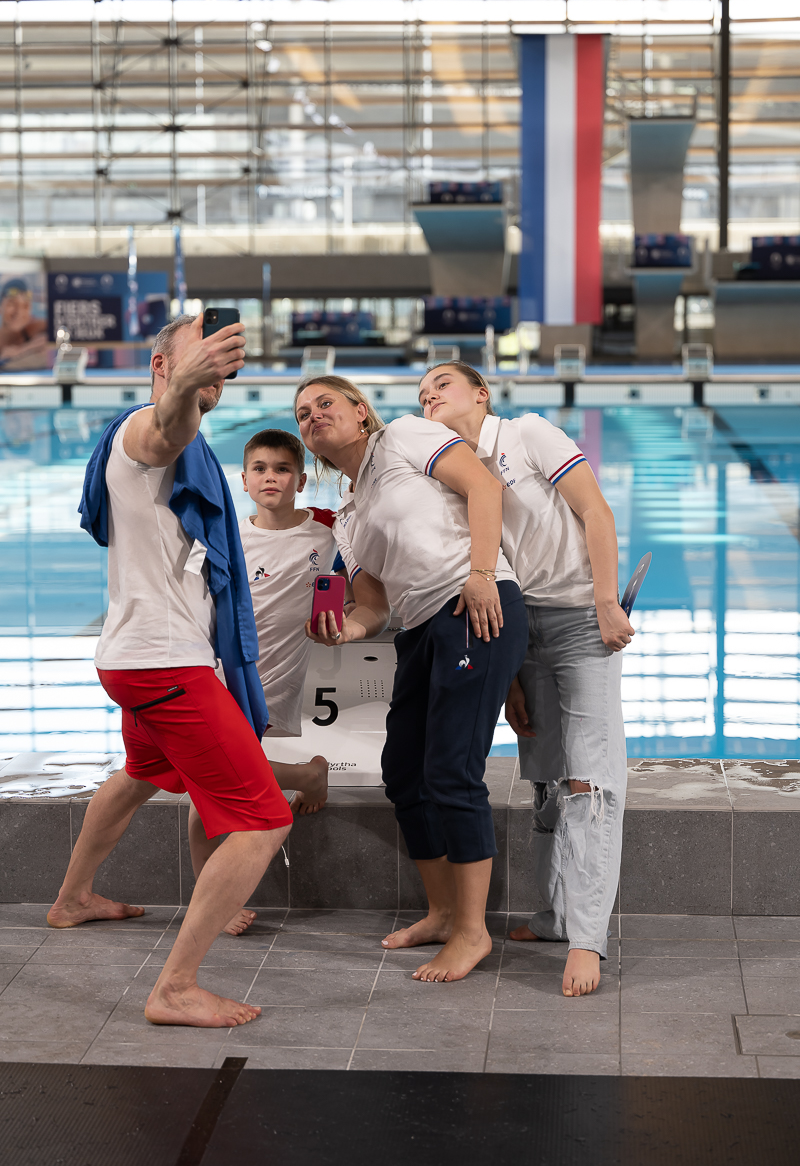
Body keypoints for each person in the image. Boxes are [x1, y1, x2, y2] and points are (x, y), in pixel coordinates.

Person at [46, 313, 294, 1028]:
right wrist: (186, 379)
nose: (218, 369)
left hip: (135, 656)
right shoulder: (144, 438)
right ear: (162, 368)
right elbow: (169, 424)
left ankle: (71, 899)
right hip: (163, 664)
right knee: (261, 821)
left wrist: (193, 376)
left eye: (225, 363)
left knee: (141, 775)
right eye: (200, 357)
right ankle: (177, 986)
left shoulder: (179, 446)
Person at [295, 375, 528, 983]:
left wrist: (480, 570)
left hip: (476, 602)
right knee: (404, 770)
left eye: (325, 403)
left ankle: (474, 934)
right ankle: (444, 911)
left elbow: (483, 485)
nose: (313, 415)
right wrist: (343, 632)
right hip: (421, 628)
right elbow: (373, 602)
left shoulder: (404, 436)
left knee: (452, 769)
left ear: (359, 411)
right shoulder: (349, 510)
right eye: (302, 413)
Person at [420, 360, 634, 998]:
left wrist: (603, 601)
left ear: (481, 395)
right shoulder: (450, 469)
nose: (429, 397)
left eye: (442, 386)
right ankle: (554, 914)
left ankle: (588, 939)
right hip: (519, 631)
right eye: (421, 393)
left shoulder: (528, 433)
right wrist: (507, 674)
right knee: (543, 777)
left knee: (590, 780)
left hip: (579, 621)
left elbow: (595, 510)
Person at [187, 428, 334, 935]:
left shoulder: (326, 533)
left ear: (301, 479)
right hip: (220, 674)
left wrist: (343, 617)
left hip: (276, 674)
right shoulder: (227, 536)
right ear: (244, 480)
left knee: (215, 780)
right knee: (208, 787)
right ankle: (307, 776)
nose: (271, 477)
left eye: (283, 469)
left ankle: (212, 899)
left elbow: (355, 587)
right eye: (261, 469)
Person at [0, 277, 47, 361]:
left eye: (25, 306)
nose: (19, 312)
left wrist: (20, 350)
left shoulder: (31, 329)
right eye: (12, 304)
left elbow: (57, 330)